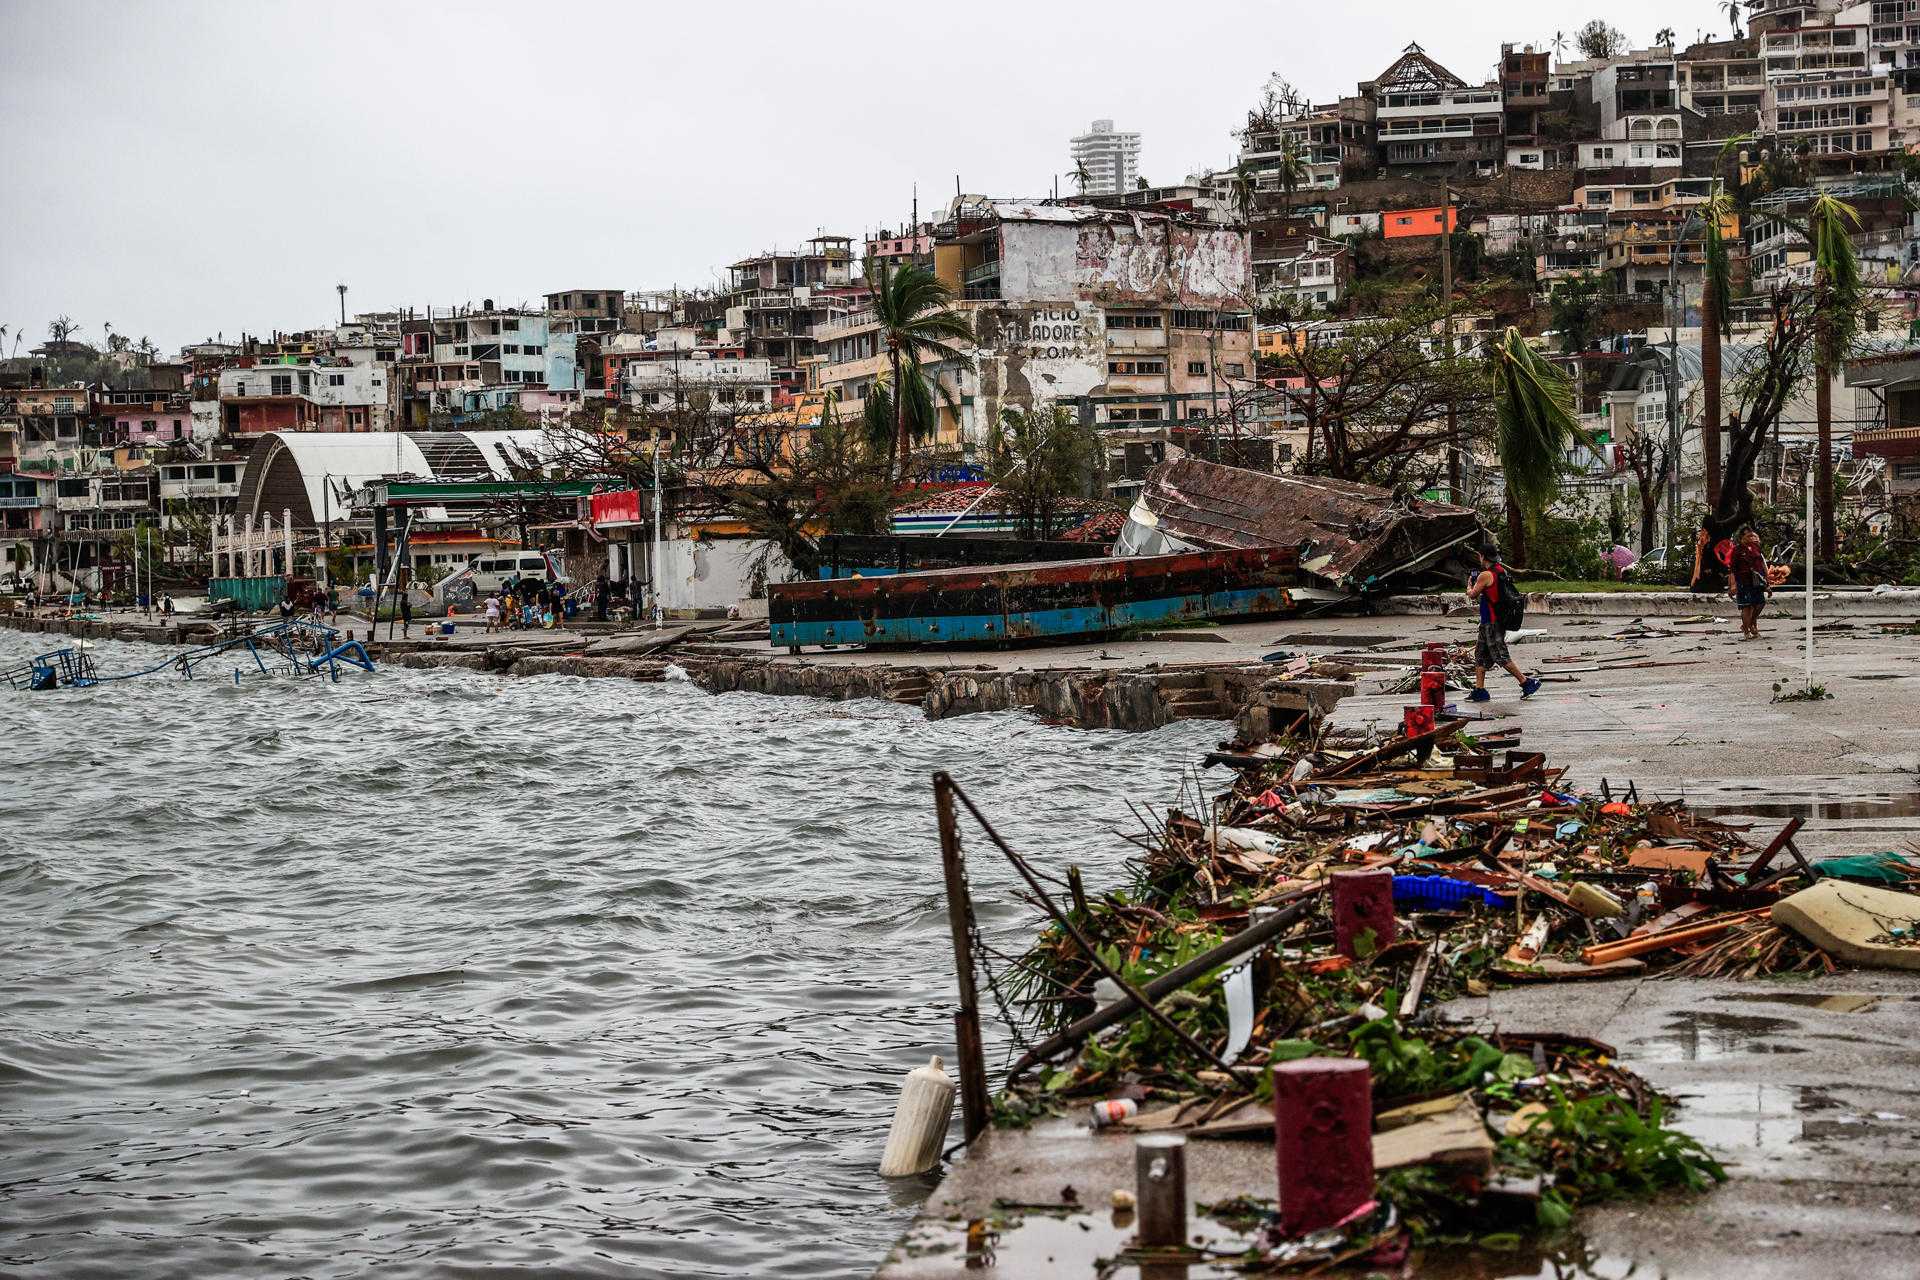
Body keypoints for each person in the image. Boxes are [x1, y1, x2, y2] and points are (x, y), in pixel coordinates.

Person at [1464, 545, 1541, 702]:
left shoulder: (1485, 575)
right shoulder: (1501, 571)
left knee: (1501, 656)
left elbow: (1473, 595)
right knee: (1480, 655)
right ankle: (1480, 690)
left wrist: (1469, 585)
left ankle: (1526, 682)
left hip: (1492, 622)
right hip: (1490, 620)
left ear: (1482, 556)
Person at [1729, 526, 1771, 639]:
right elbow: (1732, 569)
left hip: (1757, 581)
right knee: (1746, 606)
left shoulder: (1756, 548)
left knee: (1760, 603)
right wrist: (1732, 585)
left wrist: (1767, 580)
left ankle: (1750, 623)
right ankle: (1747, 630)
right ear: (1742, 537)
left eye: (1752, 535)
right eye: (1748, 536)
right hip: (1743, 581)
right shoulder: (1737, 550)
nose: (1751, 538)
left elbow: (1763, 565)